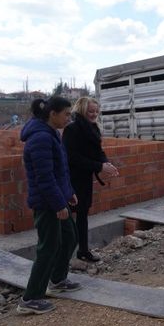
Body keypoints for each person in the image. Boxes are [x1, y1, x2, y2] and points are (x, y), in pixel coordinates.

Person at [17, 97, 81, 315]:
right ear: (52, 114)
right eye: (66, 114)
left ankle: (58, 278)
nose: (68, 118)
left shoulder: (52, 134)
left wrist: (69, 193)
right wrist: (57, 205)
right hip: (47, 204)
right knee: (48, 249)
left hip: (57, 199)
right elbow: (44, 178)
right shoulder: (40, 139)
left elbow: (59, 171)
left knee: (71, 237)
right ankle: (30, 298)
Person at [62, 97, 118, 263]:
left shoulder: (93, 128)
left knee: (83, 213)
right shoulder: (72, 129)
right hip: (72, 177)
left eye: (96, 111)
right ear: (82, 111)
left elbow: (97, 151)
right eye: (90, 111)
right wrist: (99, 166)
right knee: (67, 216)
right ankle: (63, 254)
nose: (94, 114)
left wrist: (105, 162)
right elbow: (72, 158)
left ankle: (83, 250)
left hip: (85, 177)